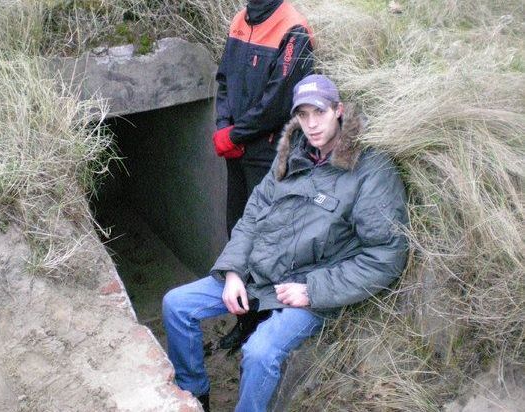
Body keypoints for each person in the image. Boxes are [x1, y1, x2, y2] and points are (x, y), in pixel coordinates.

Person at [164, 74, 409, 412]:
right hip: (261, 273)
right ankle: (196, 394)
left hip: (313, 289)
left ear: (338, 111)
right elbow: (252, 216)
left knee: (260, 351)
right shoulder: (290, 154)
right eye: (303, 115)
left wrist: (313, 290)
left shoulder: (371, 170)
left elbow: (385, 255)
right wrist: (233, 271)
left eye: (319, 113)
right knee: (176, 305)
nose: (311, 124)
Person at [211, 0, 316, 351]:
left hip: (266, 154)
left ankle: (267, 325)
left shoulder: (293, 29)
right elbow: (224, 80)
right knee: (236, 229)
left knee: (267, 240)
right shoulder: (240, 20)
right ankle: (245, 320)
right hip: (237, 149)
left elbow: (277, 102)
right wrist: (224, 127)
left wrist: (236, 135)